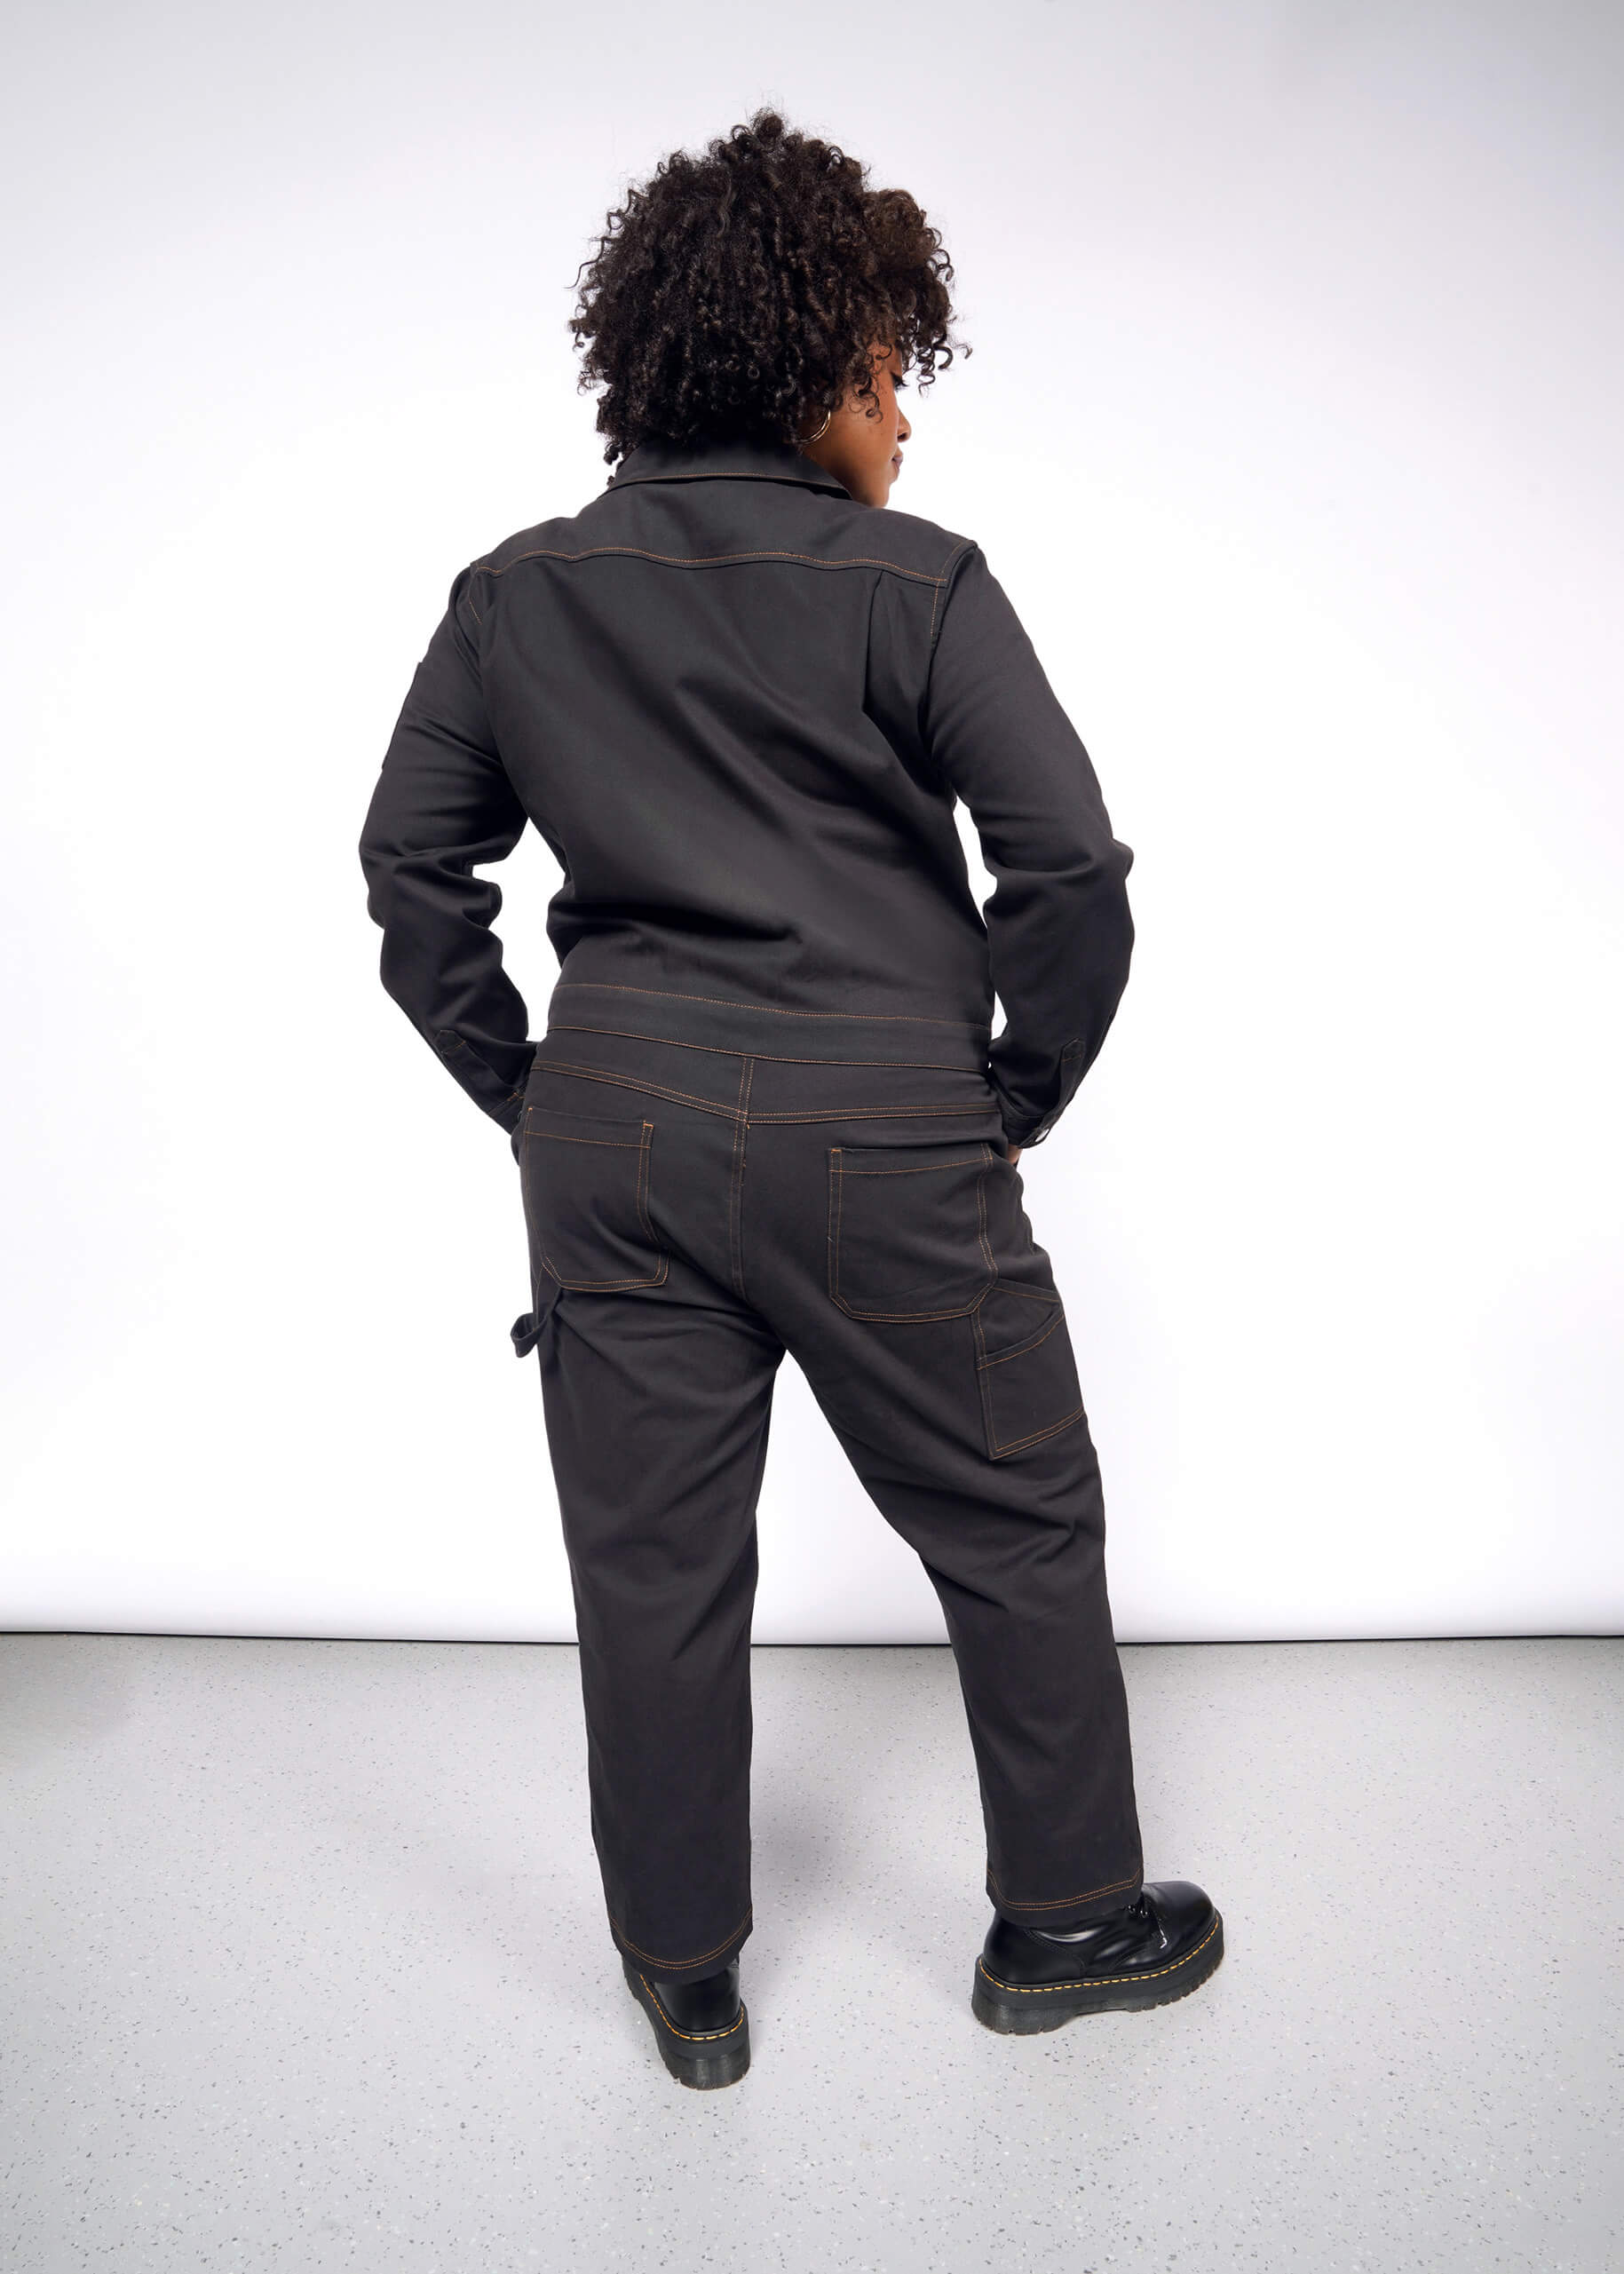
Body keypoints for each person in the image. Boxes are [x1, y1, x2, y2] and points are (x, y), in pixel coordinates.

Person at [358, 108, 1221, 2091]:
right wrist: (1011, 1093)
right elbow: (1068, 871)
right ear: (821, 357)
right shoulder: (916, 584)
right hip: (887, 1130)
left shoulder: (515, 595)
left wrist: (539, 1093)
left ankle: (683, 1972)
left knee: (652, 1566)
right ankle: (1069, 1924)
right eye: (892, 373)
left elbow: (414, 878)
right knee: (1014, 1515)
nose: (904, 423)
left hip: (619, 1138)